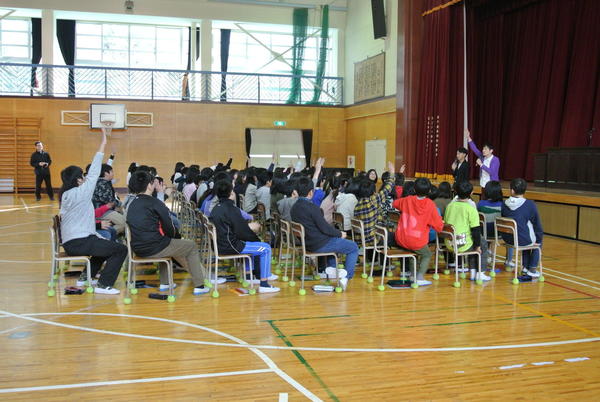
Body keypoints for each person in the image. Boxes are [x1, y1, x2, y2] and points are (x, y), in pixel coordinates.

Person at [59, 128, 127, 294]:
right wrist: (103, 143)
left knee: (106, 246)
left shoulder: (66, 195)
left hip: (74, 240)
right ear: (78, 180)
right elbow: (95, 171)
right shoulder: (80, 192)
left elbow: (77, 218)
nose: (85, 178)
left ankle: (84, 278)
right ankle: (104, 285)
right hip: (79, 241)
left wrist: (96, 224)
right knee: (120, 250)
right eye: (82, 176)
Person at [126, 170, 213, 294]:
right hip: (153, 247)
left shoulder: (132, 203)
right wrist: (177, 237)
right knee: (191, 246)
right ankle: (200, 286)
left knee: (166, 243)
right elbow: (170, 226)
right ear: (150, 185)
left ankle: (165, 283)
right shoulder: (155, 202)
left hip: (137, 248)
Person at [210, 180, 280, 293]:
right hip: (231, 246)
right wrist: (253, 230)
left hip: (220, 245)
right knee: (265, 248)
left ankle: (248, 276)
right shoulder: (231, 209)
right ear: (231, 193)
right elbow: (242, 231)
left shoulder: (216, 208)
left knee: (251, 243)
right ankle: (264, 284)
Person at [290, 176, 359, 291]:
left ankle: (331, 269)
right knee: (353, 247)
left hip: (306, 243)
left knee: (336, 241)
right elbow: (325, 228)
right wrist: (340, 233)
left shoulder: (294, 208)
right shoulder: (312, 208)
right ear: (311, 192)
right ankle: (346, 277)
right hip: (319, 244)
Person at [392, 178, 443, 286]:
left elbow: (395, 204)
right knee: (427, 254)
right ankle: (419, 277)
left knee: (413, 253)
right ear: (429, 191)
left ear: (414, 189)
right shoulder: (430, 204)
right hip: (416, 240)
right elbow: (438, 226)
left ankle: (412, 275)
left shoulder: (407, 199)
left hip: (401, 237)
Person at [444, 181, 491, 282]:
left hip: (449, 243)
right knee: (481, 243)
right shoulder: (471, 209)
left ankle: (473, 273)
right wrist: (478, 246)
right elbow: (476, 230)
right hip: (462, 244)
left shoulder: (449, 206)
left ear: (456, 192)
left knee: (473, 242)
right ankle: (481, 273)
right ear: (471, 193)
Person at [501, 178, 543, 277]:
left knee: (524, 234)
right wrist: (539, 239)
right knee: (536, 241)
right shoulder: (530, 204)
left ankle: (525, 267)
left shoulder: (504, 204)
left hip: (508, 239)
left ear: (511, 190)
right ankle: (532, 269)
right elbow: (537, 225)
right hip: (521, 239)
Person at [92, 163, 126, 234]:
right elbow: (109, 201)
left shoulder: (102, 182)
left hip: (104, 209)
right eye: (112, 171)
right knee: (124, 223)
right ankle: (105, 235)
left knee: (122, 212)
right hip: (101, 211)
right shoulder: (102, 184)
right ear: (106, 173)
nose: (113, 173)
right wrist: (120, 203)